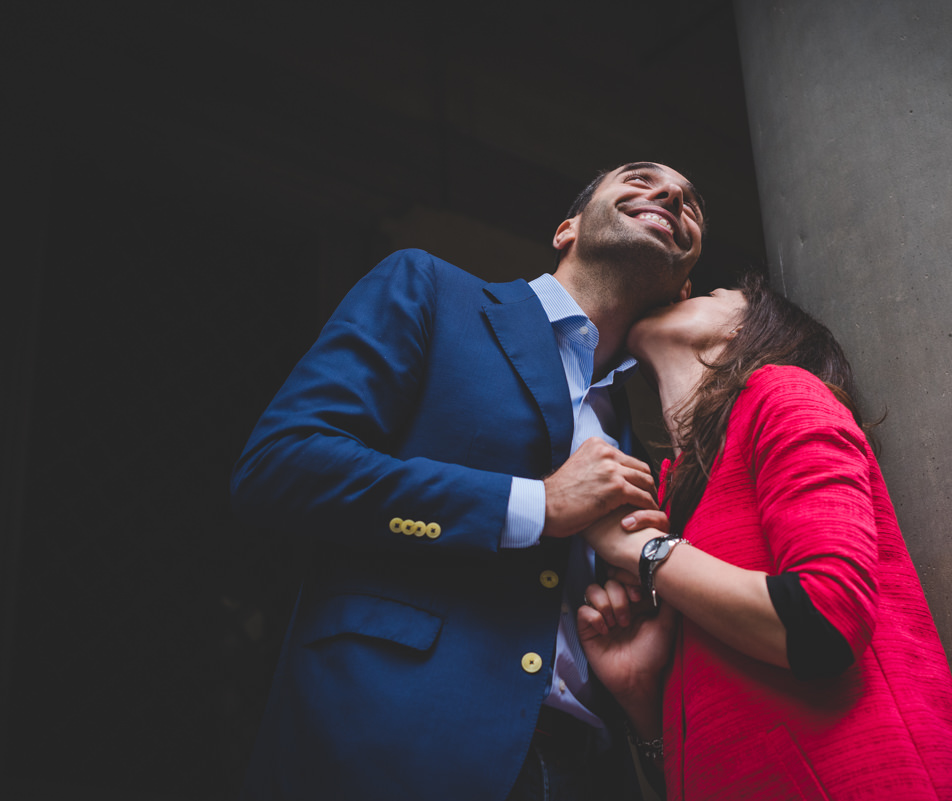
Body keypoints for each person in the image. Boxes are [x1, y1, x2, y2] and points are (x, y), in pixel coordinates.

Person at [230, 162, 705, 801]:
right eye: (641, 179)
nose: (671, 195)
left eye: (690, 203)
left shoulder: (652, 438)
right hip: (394, 740)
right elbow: (281, 466)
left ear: (685, 286)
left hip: (586, 769)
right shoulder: (428, 288)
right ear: (567, 230)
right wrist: (535, 505)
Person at [578, 273, 952, 800]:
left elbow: (826, 617)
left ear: (742, 331)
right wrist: (641, 694)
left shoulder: (782, 390)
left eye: (712, 295)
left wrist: (643, 551)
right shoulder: (672, 496)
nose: (689, 294)